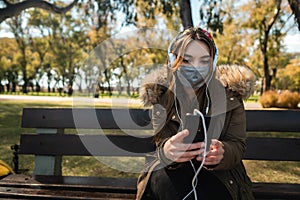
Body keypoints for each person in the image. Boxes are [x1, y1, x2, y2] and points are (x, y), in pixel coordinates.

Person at [137, 26, 256, 200]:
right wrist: (167, 152)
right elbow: (161, 143)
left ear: (213, 62)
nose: (195, 67)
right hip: (174, 172)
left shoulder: (230, 95)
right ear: (172, 60)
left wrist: (223, 153)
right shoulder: (161, 96)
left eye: (204, 61)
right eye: (186, 60)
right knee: (163, 182)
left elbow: (237, 145)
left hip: (220, 175)